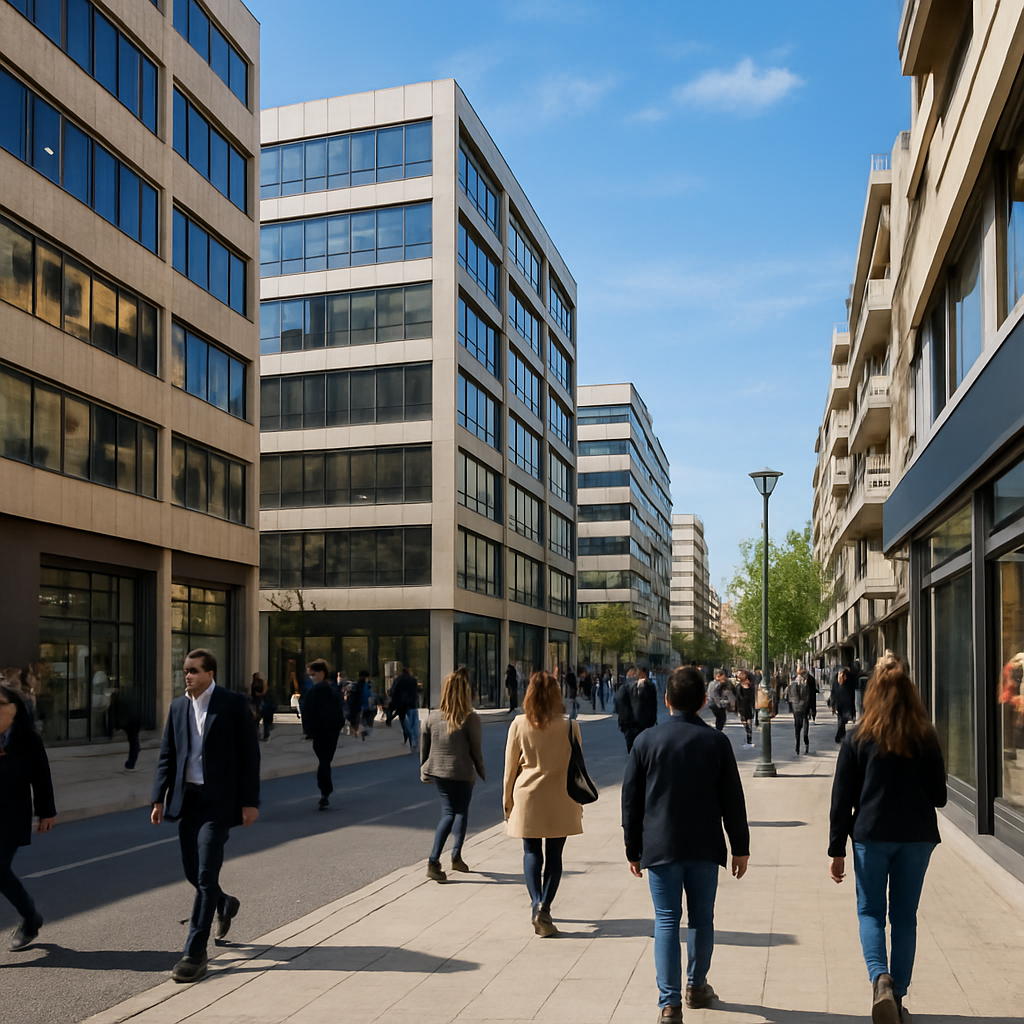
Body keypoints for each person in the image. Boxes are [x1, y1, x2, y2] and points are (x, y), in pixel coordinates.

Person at [622, 667, 750, 1021]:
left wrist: (633, 848)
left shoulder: (646, 741)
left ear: (667, 700)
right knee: (701, 918)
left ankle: (670, 1003)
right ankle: (696, 984)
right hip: (705, 845)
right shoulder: (716, 742)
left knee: (666, 921)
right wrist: (740, 846)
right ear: (704, 702)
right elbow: (732, 799)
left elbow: (631, 800)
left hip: (660, 844)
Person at [829, 652, 947, 1024]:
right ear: (910, 691)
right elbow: (940, 796)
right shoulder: (925, 736)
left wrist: (836, 849)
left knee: (870, 912)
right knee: (905, 917)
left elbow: (842, 798)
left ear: (871, 692)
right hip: (916, 836)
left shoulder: (858, 737)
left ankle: (880, 978)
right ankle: (898, 995)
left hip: (871, 835)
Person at [151, 648, 260, 983]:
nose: (187, 675)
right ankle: (224, 903)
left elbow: (249, 755)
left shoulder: (232, 703)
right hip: (188, 801)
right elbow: (168, 754)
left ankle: (195, 953)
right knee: (193, 872)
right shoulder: (178, 706)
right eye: (185, 670)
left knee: (205, 874)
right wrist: (158, 798)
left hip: (219, 802)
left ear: (210, 674)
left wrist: (249, 802)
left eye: (194, 670)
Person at [503, 670, 584, 938]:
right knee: (555, 855)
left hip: (528, 796)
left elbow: (510, 768)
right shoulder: (570, 726)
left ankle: (536, 902)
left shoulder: (519, 724)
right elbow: (578, 768)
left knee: (531, 851)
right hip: (562, 795)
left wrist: (507, 799)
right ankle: (545, 907)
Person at [0, 682, 56, 952]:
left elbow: (41, 777)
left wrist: (46, 812)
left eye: (0, 705)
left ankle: (30, 916)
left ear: (15, 709)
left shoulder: (28, 739)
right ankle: (31, 916)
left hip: (11, 817)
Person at [421, 667, 486, 881]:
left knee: (449, 811)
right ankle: (446, 857)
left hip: (439, 772)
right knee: (459, 812)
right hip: (462, 772)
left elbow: (425, 747)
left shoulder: (432, 717)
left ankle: (439, 859)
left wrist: (424, 769)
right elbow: (476, 749)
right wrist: (480, 770)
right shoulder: (470, 718)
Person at [302, 660, 344, 809]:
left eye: (313, 674)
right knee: (325, 760)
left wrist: (309, 730)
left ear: (321, 673)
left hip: (320, 731)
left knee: (323, 760)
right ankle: (325, 790)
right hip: (331, 731)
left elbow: (307, 712)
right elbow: (340, 710)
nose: (312, 678)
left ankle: (325, 790)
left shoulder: (315, 691)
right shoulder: (334, 689)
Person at [616, 667, 659, 753]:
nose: (644, 679)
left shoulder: (650, 687)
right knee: (634, 751)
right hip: (632, 727)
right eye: (642, 676)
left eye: (646, 676)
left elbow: (653, 705)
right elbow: (621, 706)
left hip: (644, 727)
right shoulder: (625, 688)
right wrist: (625, 725)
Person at [111, 683, 142, 770]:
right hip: (132, 723)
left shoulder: (125, 701)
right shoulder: (131, 700)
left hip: (131, 723)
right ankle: (131, 761)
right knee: (134, 742)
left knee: (133, 742)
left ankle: (131, 763)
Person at [788, 666, 813, 755]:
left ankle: (797, 746)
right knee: (804, 725)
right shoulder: (804, 685)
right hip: (803, 708)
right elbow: (808, 697)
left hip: (796, 709)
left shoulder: (792, 684)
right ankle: (805, 742)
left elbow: (790, 696)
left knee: (797, 727)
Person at [834, 667, 857, 743]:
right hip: (841, 704)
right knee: (841, 720)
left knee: (843, 720)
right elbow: (833, 692)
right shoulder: (837, 681)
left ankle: (840, 734)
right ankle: (841, 734)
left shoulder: (849, 681)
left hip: (845, 704)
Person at [734, 670, 756, 748]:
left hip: (749, 708)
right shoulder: (739, 688)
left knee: (749, 724)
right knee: (746, 724)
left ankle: (749, 740)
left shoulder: (751, 688)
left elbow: (753, 699)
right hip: (742, 709)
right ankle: (748, 739)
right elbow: (737, 700)